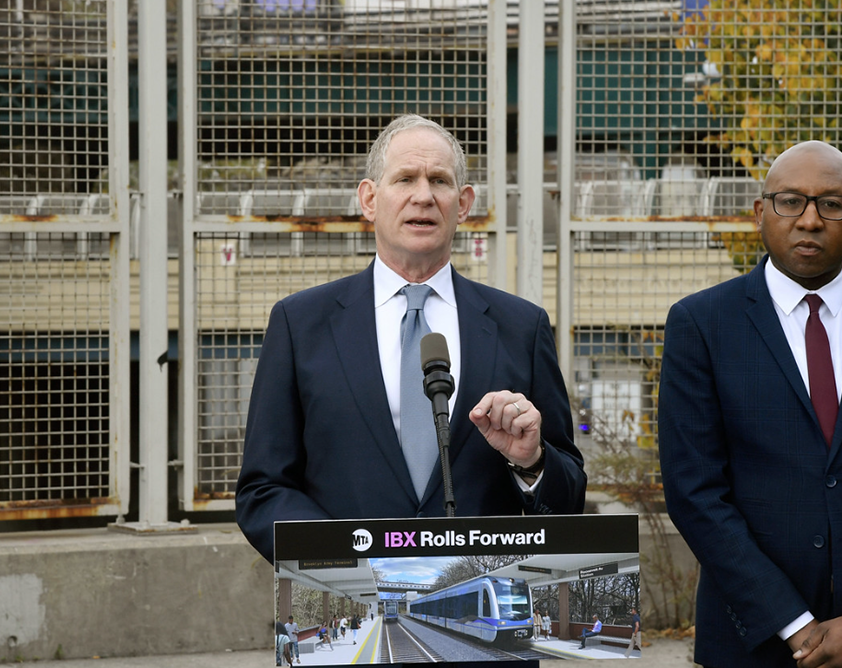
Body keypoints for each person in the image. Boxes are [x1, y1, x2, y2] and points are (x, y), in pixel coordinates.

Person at [658, 141, 842, 668]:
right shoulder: (702, 325)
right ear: (760, 213)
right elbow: (694, 492)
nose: (810, 220)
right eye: (790, 201)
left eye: (832, 204)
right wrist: (794, 626)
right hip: (751, 643)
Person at [235, 114, 587, 564]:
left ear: (462, 204)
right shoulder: (299, 324)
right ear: (369, 199)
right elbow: (263, 490)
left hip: (480, 605)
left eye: (438, 181)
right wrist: (350, 562)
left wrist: (532, 461)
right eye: (405, 179)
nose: (423, 196)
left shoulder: (521, 326)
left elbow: (569, 497)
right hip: (351, 605)